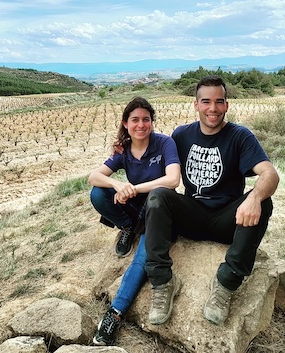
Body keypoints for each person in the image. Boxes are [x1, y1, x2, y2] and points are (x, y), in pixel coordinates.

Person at [144, 75, 280, 326]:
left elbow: (270, 173)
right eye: (206, 101)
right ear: (196, 105)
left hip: (226, 219)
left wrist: (255, 198)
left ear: (227, 105)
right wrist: (123, 149)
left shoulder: (240, 136)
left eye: (219, 101)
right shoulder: (181, 135)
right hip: (191, 213)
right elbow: (155, 166)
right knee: (158, 196)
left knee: (264, 201)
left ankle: (226, 284)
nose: (213, 108)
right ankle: (163, 282)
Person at [88, 96, 181, 345]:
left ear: (152, 122)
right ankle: (128, 227)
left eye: (146, 119)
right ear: (126, 123)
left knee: (142, 258)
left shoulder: (164, 143)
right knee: (99, 193)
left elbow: (173, 180)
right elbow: (94, 176)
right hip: (136, 211)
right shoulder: (123, 150)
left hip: (160, 213)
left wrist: (135, 188)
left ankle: (115, 313)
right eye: (135, 120)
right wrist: (117, 183)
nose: (141, 124)